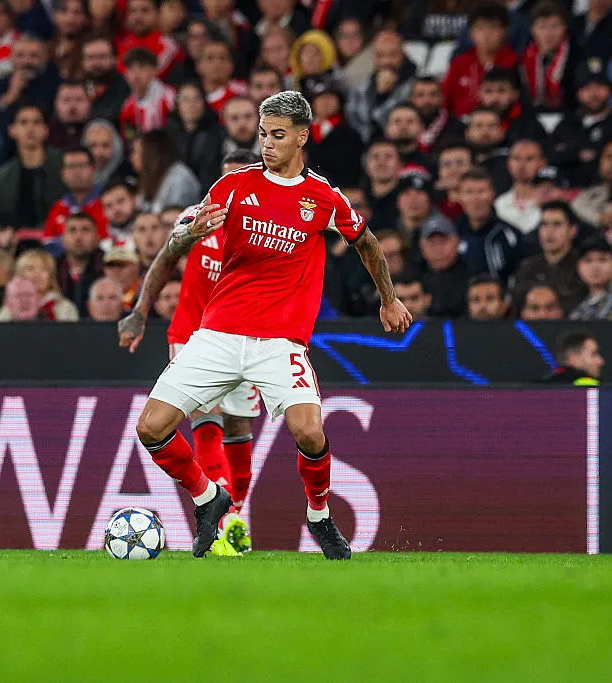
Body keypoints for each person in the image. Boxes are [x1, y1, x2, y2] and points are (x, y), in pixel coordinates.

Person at [131, 91, 410, 560]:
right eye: (263, 134)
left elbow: (367, 244)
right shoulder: (234, 186)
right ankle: (207, 498)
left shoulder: (322, 197)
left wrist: (389, 298)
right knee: (150, 427)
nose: (267, 144)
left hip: (280, 343)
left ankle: (319, 515)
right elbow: (184, 235)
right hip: (218, 333)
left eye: (277, 135)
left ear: (303, 137)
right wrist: (190, 232)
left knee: (310, 433)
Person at [550, 58, 612, 187]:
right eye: (587, 88)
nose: (593, 94)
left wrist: (570, 153)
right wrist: (577, 154)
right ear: (578, 93)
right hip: (565, 188)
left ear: (610, 90)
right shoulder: (567, 123)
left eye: (599, 86)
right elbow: (551, 155)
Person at [0, 104, 66, 232]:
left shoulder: (63, 166)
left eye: (36, 122)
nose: (30, 128)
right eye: (23, 122)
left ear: (46, 130)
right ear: (12, 131)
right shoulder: (4, 175)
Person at [443, 2, 518, 118]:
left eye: (493, 27)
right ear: (471, 33)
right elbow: (445, 101)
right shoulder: (459, 63)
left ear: (505, 32)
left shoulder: (514, 62)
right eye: (480, 28)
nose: (486, 34)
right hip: (461, 126)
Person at [513, 200, 587, 315]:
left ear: (572, 230)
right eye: (544, 224)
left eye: (557, 224)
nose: (549, 231)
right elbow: (517, 307)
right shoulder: (527, 267)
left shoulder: (583, 266)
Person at [346, 30, 416, 142]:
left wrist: (383, 95)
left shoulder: (416, 85)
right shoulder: (362, 86)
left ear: (403, 54)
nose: (386, 61)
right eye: (380, 55)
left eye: (393, 54)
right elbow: (353, 121)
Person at [455, 169, 522, 284]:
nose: (476, 198)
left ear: (492, 194)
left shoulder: (510, 235)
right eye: (469, 192)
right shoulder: (452, 233)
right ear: (460, 196)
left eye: (481, 191)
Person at [521, 1, 584, 112]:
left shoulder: (579, 57)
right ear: (532, 30)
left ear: (565, 28)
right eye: (542, 26)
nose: (548, 33)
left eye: (555, 26)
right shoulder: (524, 58)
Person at [165, 82, 227, 194]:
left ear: (204, 103)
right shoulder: (168, 135)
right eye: (185, 99)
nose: (191, 105)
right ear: (177, 104)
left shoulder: (217, 133)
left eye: (196, 99)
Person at [304, 78, 363, 189]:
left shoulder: (351, 135)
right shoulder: (300, 133)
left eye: (331, 97)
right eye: (320, 97)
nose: (325, 102)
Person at [130, 130, 200, 214]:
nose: (132, 158)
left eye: (135, 152)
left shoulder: (178, 178)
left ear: (149, 154)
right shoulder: (151, 177)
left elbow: (173, 218)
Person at [44, 147, 108, 239]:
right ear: (63, 174)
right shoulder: (58, 208)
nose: (76, 172)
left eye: (82, 165)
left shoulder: (108, 201)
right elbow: (47, 242)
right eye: (71, 166)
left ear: (93, 169)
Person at [418, 214, 470, 318]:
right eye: (432, 242)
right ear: (422, 247)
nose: (438, 249)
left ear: (457, 242)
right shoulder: (415, 276)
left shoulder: (472, 274)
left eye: (443, 241)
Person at [119, 48, 176, 141]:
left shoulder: (170, 99)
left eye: (142, 68)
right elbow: (130, 140)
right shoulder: (127, 108)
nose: (136, 75)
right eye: (131, 69)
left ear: (155, 70)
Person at [494, 139, 547, 235]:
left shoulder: (549, 203)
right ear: (508, 163)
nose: (522, 165)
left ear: (542, 163)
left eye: (529, 159)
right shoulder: (499, 204)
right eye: (516, 158)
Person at [569, 238, 612, 320]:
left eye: (602, 260)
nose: (595, 267)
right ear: (578, 267)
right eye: (588, 261)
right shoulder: (578, 308)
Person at [57, 212, 104, 317]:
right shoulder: (52, 268)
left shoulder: (108, 267)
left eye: (85, 230)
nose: (78, 237)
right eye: (72, 230)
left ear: (97, 238)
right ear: (62, 239)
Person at [15, 248, 80, 320]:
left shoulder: (66, 308)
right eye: (31, 269)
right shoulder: (10, 307)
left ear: (51, 276)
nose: (37, 274)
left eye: (44, 269)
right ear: (20, 275)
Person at [410, 78, 466, 155]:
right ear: (411, 99)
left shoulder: (458, 128)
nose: (427, 101)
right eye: (420, 95)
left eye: (433, 94)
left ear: (442, 98)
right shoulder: (402, 126)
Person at [82, 35, 130, 123]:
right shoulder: (77, 87)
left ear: (115, 59)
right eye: (90, 58)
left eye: (102, 57)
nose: (96, 63)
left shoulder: (127, 88)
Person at [363, 139, 403, 230]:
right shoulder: (358, 201)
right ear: (366, 165)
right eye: (375, 157)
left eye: (388, 157)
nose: (381, 163)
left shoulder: (407, 200)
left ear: (400, 164)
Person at [539, 331, 604, 385]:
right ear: (574, 358)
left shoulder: (539, 390)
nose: (601, 361)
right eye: (594, 354)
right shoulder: (594, 390)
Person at [47, 81, 92, 151]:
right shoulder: (46, 133)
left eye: (79, 100)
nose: (72, 106)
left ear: (89, 103)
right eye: (66, 100)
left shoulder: (99, 131)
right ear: (56, 104)